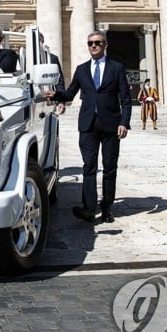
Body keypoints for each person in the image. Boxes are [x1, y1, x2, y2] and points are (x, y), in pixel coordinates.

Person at [48, 31, 131, 224]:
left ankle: (107, 206)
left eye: (97, 43)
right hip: (88, 124)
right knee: (89, 167)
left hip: (111, 124)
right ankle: (88, 208)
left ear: (105, 45)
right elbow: (70, 94)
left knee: (110, 167)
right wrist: (55, 95)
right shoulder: (82, 69)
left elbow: (126, 100)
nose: (93, 46)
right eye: (90, 43)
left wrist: (124, 123)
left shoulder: (116, 68)